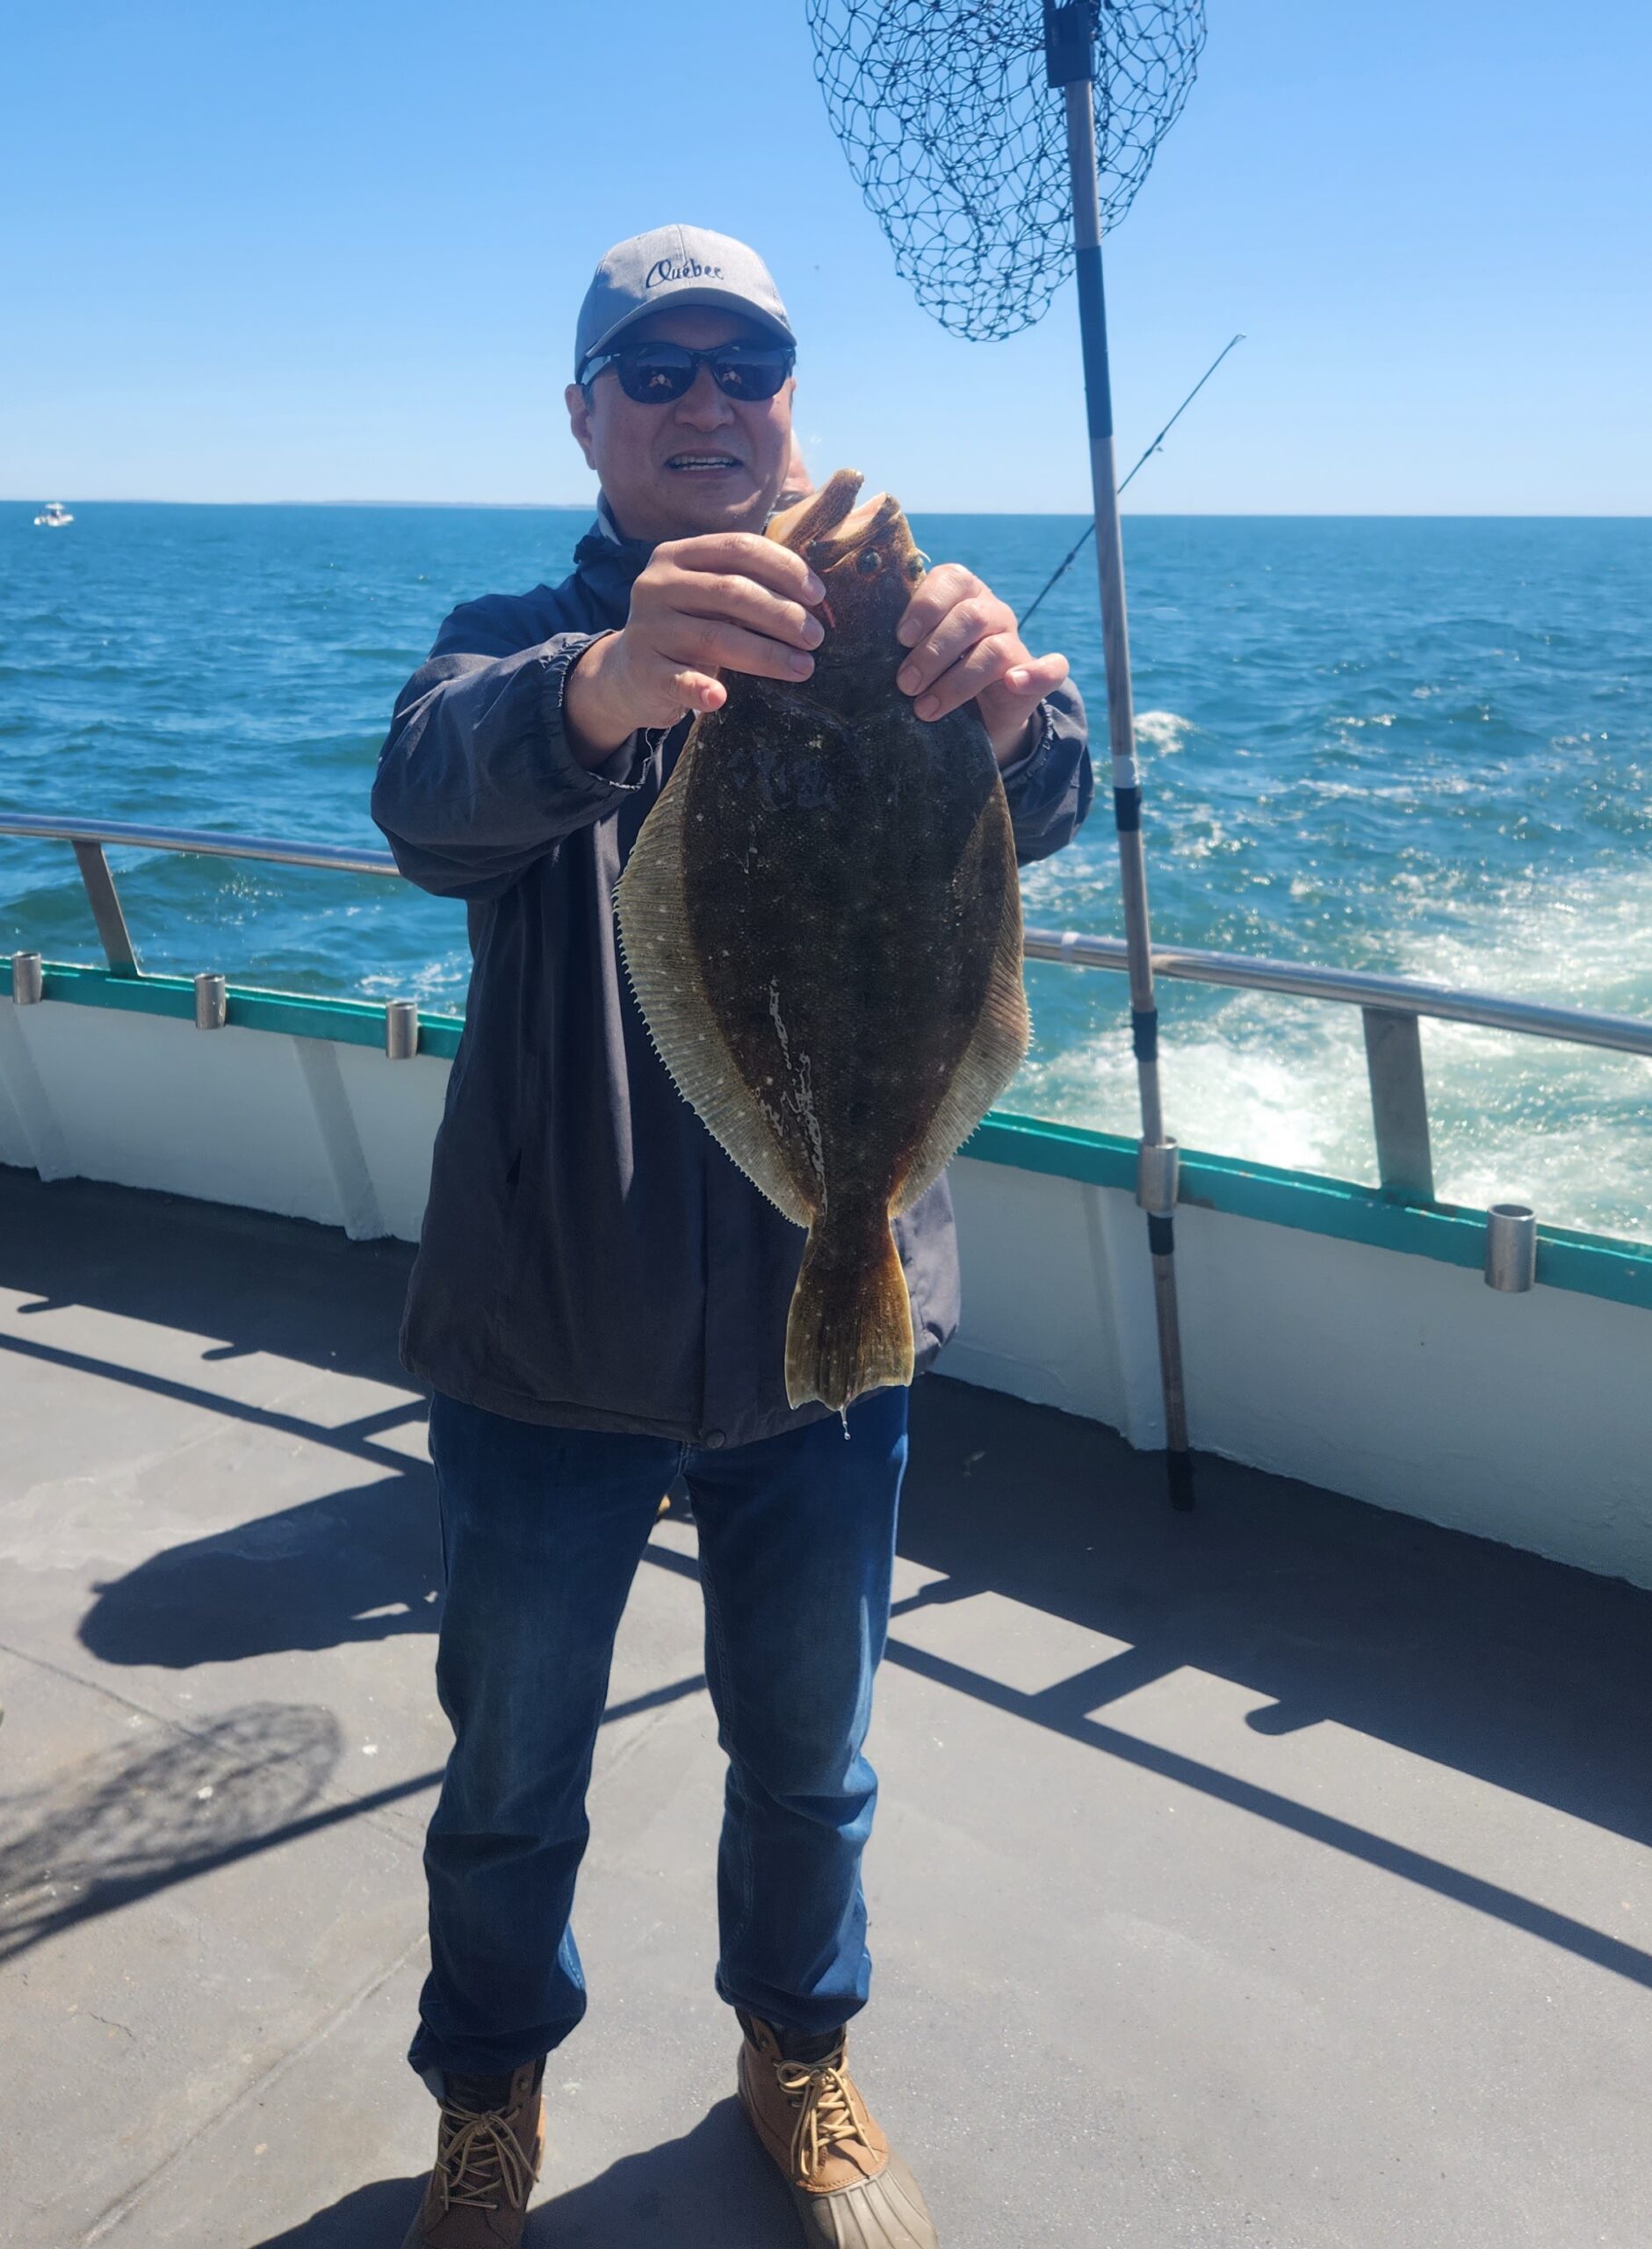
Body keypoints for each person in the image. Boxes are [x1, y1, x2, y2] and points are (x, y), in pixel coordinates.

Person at [372, 223, 1093, 2249]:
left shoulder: (897, 629)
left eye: (741, 365)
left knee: (809, 1753)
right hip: (551, 1326)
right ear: (586, 416)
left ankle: (799, 2054)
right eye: (655, 368)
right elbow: (431, 799)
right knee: (508, 1769)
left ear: (789, 397)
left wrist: (1006, 707)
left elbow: (1032, 819)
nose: (705, 401)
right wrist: (608, 684)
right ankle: (488, 2101)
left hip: (830, 1326)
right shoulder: (515, 643)